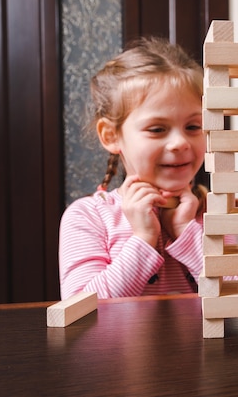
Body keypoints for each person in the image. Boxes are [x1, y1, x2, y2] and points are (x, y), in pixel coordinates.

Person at [59, 37, 207, 299]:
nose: (180, 143)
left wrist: (187, 231)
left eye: (193, 127)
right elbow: (81, 312)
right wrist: (143, 237)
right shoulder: (88, 217)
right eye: (157, 129)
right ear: (111, 136)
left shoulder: (216, 213)